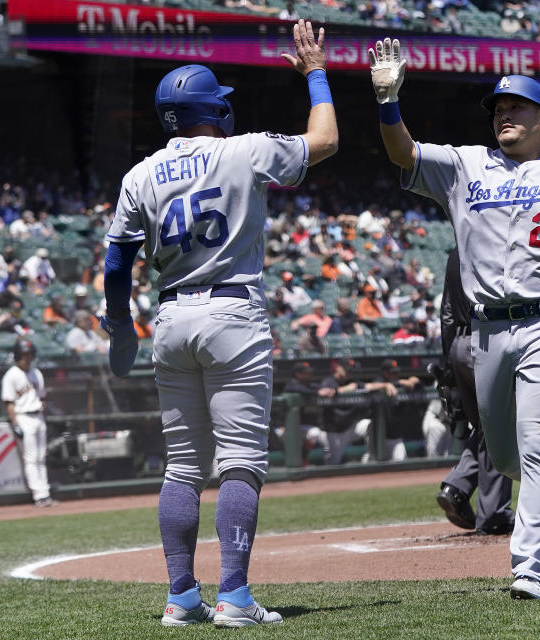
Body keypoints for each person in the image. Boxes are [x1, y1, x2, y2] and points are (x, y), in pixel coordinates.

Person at [98, 20, 337, 628]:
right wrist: (314, 72)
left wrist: (120, 326)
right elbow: (326, 139)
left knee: (182, 465)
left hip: (171, 315)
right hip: (231, 310)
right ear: (210, 108)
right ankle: (233, 596)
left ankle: (182, 598)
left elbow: (117, 258)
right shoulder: (242, 149)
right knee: (239, 461)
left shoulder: (140, 174)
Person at [370, 42, 540, 600]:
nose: (503, 114)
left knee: (535, 447)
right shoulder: (465, 165)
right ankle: (534, 481)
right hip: (484, 330)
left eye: (515, 106)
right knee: (505, 455)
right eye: (497, 108)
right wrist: (388, 100)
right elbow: (403, 153)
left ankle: (528, 569)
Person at [435, 248, 515, 535]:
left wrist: (448, 365)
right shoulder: (496, 243)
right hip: (488, 341)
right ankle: (493, 513)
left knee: (485, 427)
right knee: (500, 425)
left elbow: (446, 312)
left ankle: (457, 486)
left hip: (459, 344)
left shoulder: (457, 252)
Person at [1, 339, 56, 507]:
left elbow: (42, 397)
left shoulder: (36, 373)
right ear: (17, 355)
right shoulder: (11, 375)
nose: (27, 357)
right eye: (24, 354)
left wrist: (42, 412)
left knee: (41, 457)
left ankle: (45, 493)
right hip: (23, 417)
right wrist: (15, 424)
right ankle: (39, 495)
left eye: (30, 354)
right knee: (31, 458)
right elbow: (9, 403)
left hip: (38, 416)